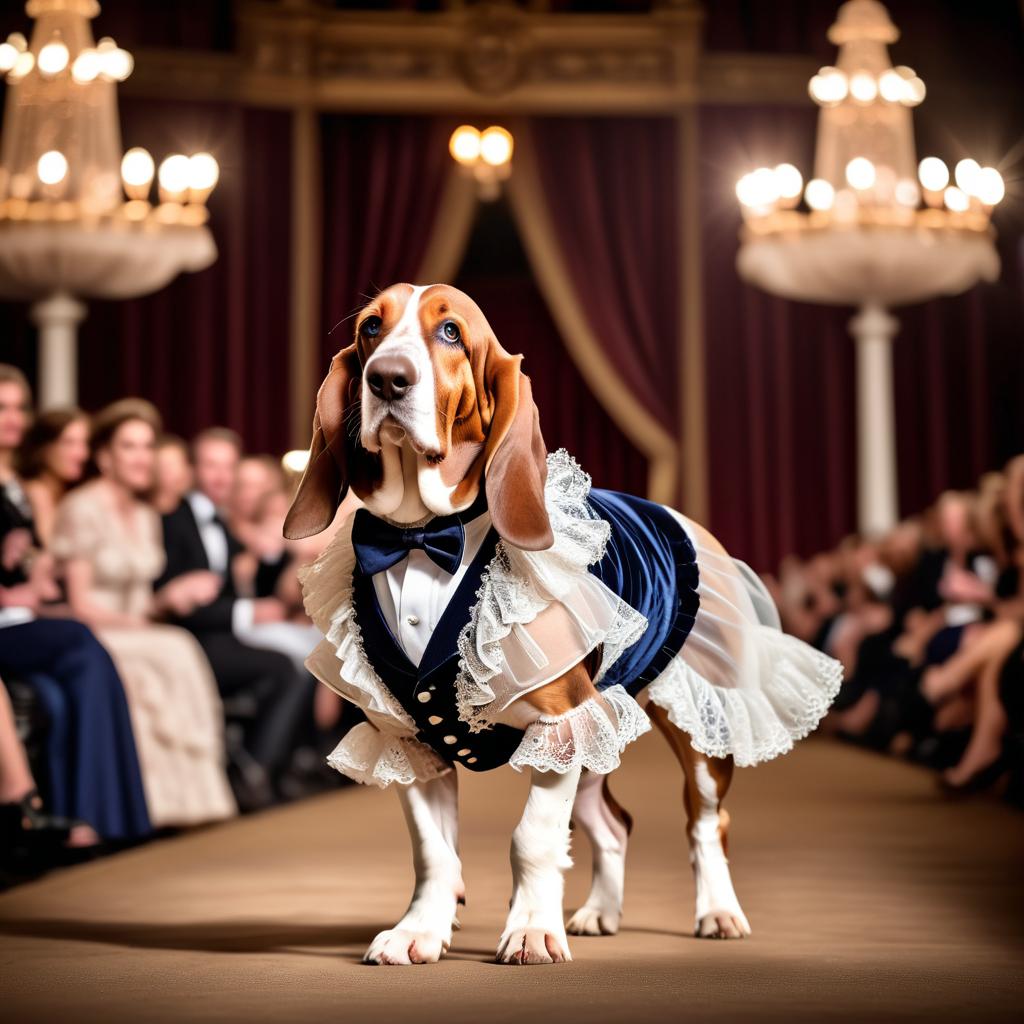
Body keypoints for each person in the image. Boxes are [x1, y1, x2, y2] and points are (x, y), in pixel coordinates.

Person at [51, 399, 236, 828]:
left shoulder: (147, 514)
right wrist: (142, 622)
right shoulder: (82, 507)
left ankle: (188, 804)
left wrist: (168, 599)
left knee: (178, 648)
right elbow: (79, 603)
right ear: (105, 457)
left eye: (147, 446)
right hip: (94, 629)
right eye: (129, 447)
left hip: (142, 629)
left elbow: (144, 601)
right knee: (170, 650)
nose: (141, 457)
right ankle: (145, 806)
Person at [0, 364, 151, 847]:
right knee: (84, 644)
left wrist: (35, 574)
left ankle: (87, 819)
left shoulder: (13, 481)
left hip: (22, 618)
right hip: (9, 620)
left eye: (18, 408)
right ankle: (102, 817)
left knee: (58, 695)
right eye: (1, 408)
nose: (13, 418)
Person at [157, 427, 314, 807]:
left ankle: (265, 767)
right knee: (286, 668)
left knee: (296, 663)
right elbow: (178, 600)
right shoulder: (172, 518)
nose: (220, 476)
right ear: (193, 469)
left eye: (228, 467)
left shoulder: (220, 521)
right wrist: (248, 612)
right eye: (211, 465)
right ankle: (258, 771)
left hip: (222, 633)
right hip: (187, 639)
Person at [18, 407, 90, 546]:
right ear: (44, 449)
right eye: (69, 443)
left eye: (84, 443)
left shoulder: (67, 493)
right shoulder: (37, 492)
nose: (82, 454)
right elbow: (55, 549)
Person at [154, 433, 193, 516]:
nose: (180, 472)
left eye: (181, 464)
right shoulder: (145, 514)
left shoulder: (193, 509)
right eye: (167, 465)